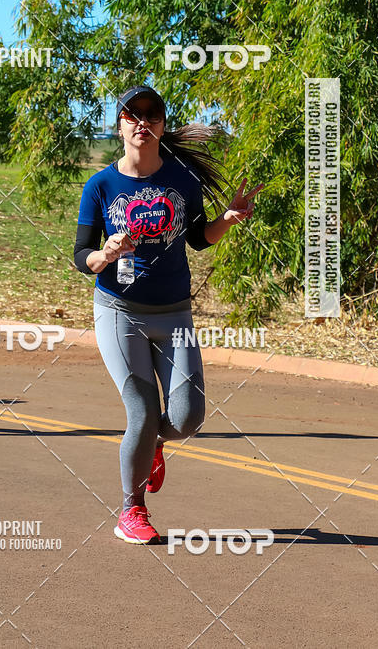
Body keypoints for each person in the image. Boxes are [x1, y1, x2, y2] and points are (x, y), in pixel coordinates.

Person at [74, 85, 263, 544]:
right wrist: (105, 253)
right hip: (119, 312)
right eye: (132, 115)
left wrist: (229, 219)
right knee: (140, 414)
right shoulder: (100, 185)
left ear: (161, 124)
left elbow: (199, 238)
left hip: (175, 314)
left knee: (188, 417)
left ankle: (152, 446)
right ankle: (131, 510)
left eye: (152, 115)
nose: (143, 122)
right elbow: (81, 256)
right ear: (119, 125)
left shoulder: (182, 180)